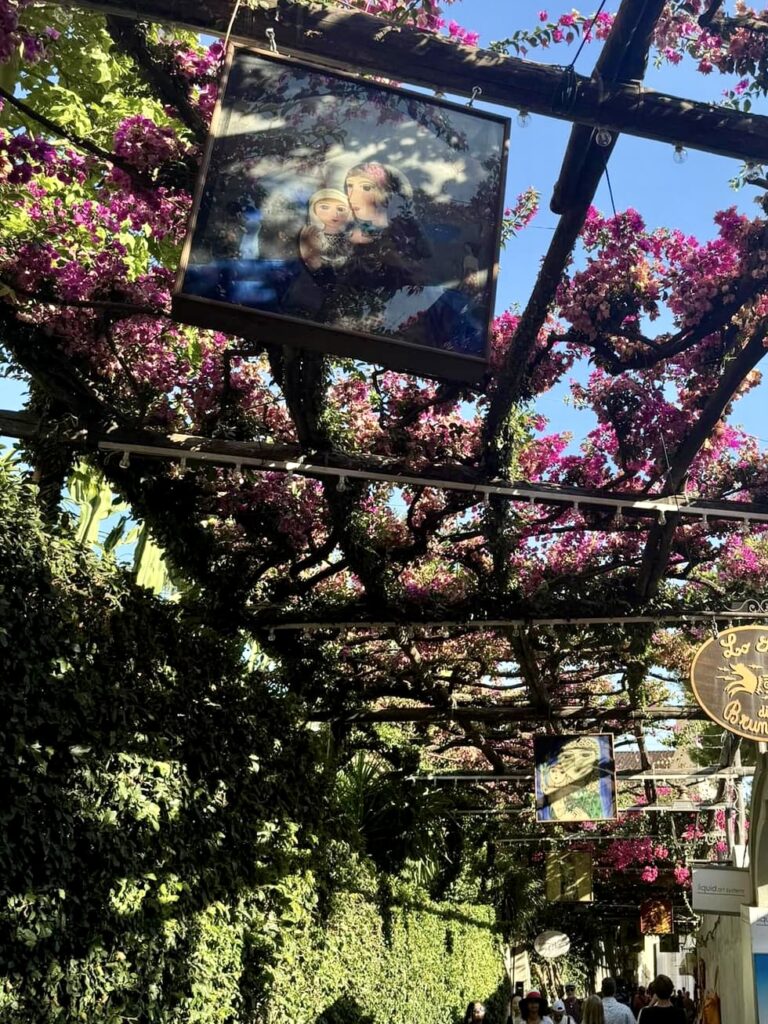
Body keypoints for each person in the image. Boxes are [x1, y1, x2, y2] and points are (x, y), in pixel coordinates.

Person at [298, 188, 353, 274]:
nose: (335, 214)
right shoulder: (311, 234)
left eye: (341, 209)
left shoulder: (351, 236)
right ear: (314, 210)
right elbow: (312, 263)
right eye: (325, 207)